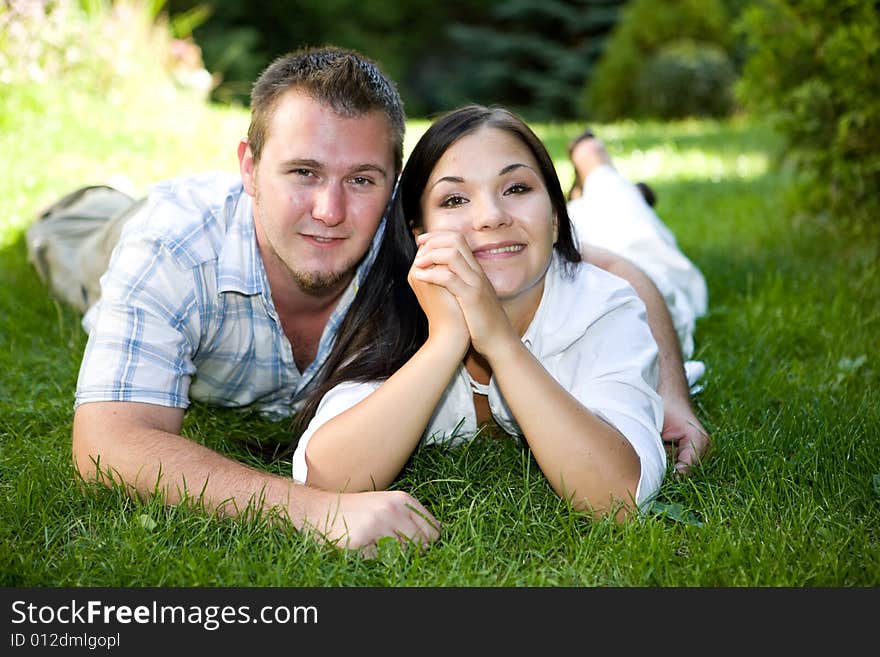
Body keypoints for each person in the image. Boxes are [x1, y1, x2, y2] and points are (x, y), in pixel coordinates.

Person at [69, 46, 442, 556]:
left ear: (393, 186)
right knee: (74, 230)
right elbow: (106, 445)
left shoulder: (409, 247)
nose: (330, 211)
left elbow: (533, 249)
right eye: (303, 172)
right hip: (102, 237)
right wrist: (315, 512)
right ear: (249, 166)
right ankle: (91, 200)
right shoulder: (175, 247)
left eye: (360, 180)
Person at [290, 105, 667, 520]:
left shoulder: (603, 308)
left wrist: (501, 343)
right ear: (419, 234)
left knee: (630, 227)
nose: (490, 217)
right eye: (455, 199)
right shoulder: (394, 310)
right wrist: (446, 342)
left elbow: (618, 500)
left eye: (517, 189)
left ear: (556, 218)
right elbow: (324, 480)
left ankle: (594, 162)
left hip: (649, 270)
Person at [565, 130, 710, 474]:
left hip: (636, 275)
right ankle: (601, 196)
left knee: (628, 231)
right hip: (583, 253)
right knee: (619, 216)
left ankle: (591, 158)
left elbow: (621, 269)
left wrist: (670, 390)